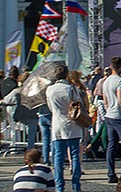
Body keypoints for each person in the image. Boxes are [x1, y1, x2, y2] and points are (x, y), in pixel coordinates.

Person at [46, 64, 83, 192]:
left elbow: (51, 108)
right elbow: (78, 105)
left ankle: (59, 186)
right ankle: (76, 185)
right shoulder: (71, 89)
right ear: (67, 75)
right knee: (74, 155)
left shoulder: (50, 89)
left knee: (58, 156)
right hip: (72, 124)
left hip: (57, 123)